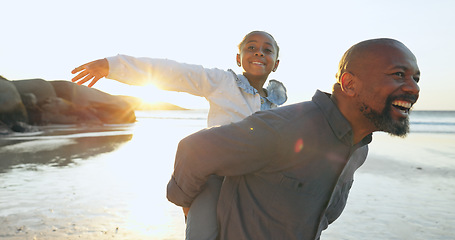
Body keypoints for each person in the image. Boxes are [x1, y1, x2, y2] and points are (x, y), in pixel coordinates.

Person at [167, 38, 420, 240]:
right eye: (398, 74)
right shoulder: (287, 128)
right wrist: (192, 209)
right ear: (349, 83)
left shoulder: (358, 149)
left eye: (415, 78)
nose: (413, 88)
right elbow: (194, 150)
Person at [71, 31, 287, 240]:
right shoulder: (223, 82)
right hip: (214, 180)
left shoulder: (280, 109)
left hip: (254, 189)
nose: (259, 53)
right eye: (251, 47)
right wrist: (114, 65)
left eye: (267, 50)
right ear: (239, 58)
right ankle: (187, 201)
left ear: (275, 63)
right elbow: (174, 72)